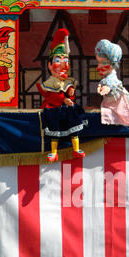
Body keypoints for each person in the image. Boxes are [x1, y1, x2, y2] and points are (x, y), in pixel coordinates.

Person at [37, 28, 87, 162]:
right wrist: (63, 99)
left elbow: (69, 91)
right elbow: (51, 96)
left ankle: (76, 149)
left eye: (65, 60)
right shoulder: (50, 82)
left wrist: (70, 94)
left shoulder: (68, 80)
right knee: (55, 129)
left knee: (74, 125)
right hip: (55, 109)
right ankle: (54, 152)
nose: (63, 65)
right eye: (58, 60)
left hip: (67, 109)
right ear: (49, 65)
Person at [95, 39, 129, 126]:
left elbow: (112, 83)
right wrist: (100, 86)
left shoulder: (112, 76)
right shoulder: (106, 78)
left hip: (116, 100)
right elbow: (103, 83)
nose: (99, 66)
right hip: (109, 100)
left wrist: (108, 87)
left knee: (119, 110)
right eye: (99, 63)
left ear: (113, 64)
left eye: (104, 62)